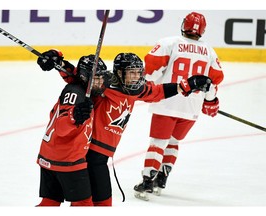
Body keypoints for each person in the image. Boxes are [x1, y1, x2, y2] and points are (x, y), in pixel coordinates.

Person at [37, 50, 212, 206]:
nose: (136, 77)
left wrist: (187, 86)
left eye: (138, 73)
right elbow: (81, 77)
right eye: (131, 73)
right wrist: (59, 64)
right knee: (93, 204)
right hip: (89, 155)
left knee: (101, 203)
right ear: (119, 73)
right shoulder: (106, 86)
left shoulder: (135, 90)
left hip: (101, 158)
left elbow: (157, 92)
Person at [133, 11, 224, 201]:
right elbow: (212, 81)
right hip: (191, 107)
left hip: (167, 101)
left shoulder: (169, 43)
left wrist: (147, 88)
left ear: (184, 25)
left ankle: (148, 180)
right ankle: (162, 178)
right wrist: (210, 100)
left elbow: (150, 71)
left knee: (157, 143)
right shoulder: (209, 51)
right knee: (174, 142)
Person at [35, 52, 107, 206]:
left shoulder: (80, 87)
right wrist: (75, 116)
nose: (99, 83)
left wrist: (60, 62)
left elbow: (73, 74)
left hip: (50, 155)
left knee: (50, 202)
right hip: (68, 159)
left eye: (101, 78)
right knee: (84, 204)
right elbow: (61, 126)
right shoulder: (75, 93)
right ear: (85, 78)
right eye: (95, 79)